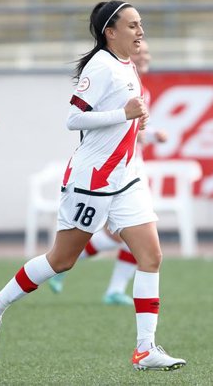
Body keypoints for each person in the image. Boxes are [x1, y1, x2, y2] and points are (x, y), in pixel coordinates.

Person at [0, 1, 186, 371]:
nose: (141, 31)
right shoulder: (100, 66)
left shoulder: (128, 66)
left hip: (127, 177)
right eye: (133, 25)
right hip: (92, 180)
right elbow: (73, 119)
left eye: (141, 25)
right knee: (62, 260)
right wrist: (124, 115)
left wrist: (137, 126)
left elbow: (123, 121)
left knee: (151, 256)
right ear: (111, 31)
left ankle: (145, 349)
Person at [47, 39, 168, 306]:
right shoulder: (111, 76)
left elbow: (132, 132)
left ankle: (116, 293)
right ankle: (62, 268)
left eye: (148, 51)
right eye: (141, 51)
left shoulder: (139, 87)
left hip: (131, 170)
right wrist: (135, 123)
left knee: (143, 242)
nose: (145, 55)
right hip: (105, 171)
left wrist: (150, 135)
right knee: (97, 242)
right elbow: (84, 121)